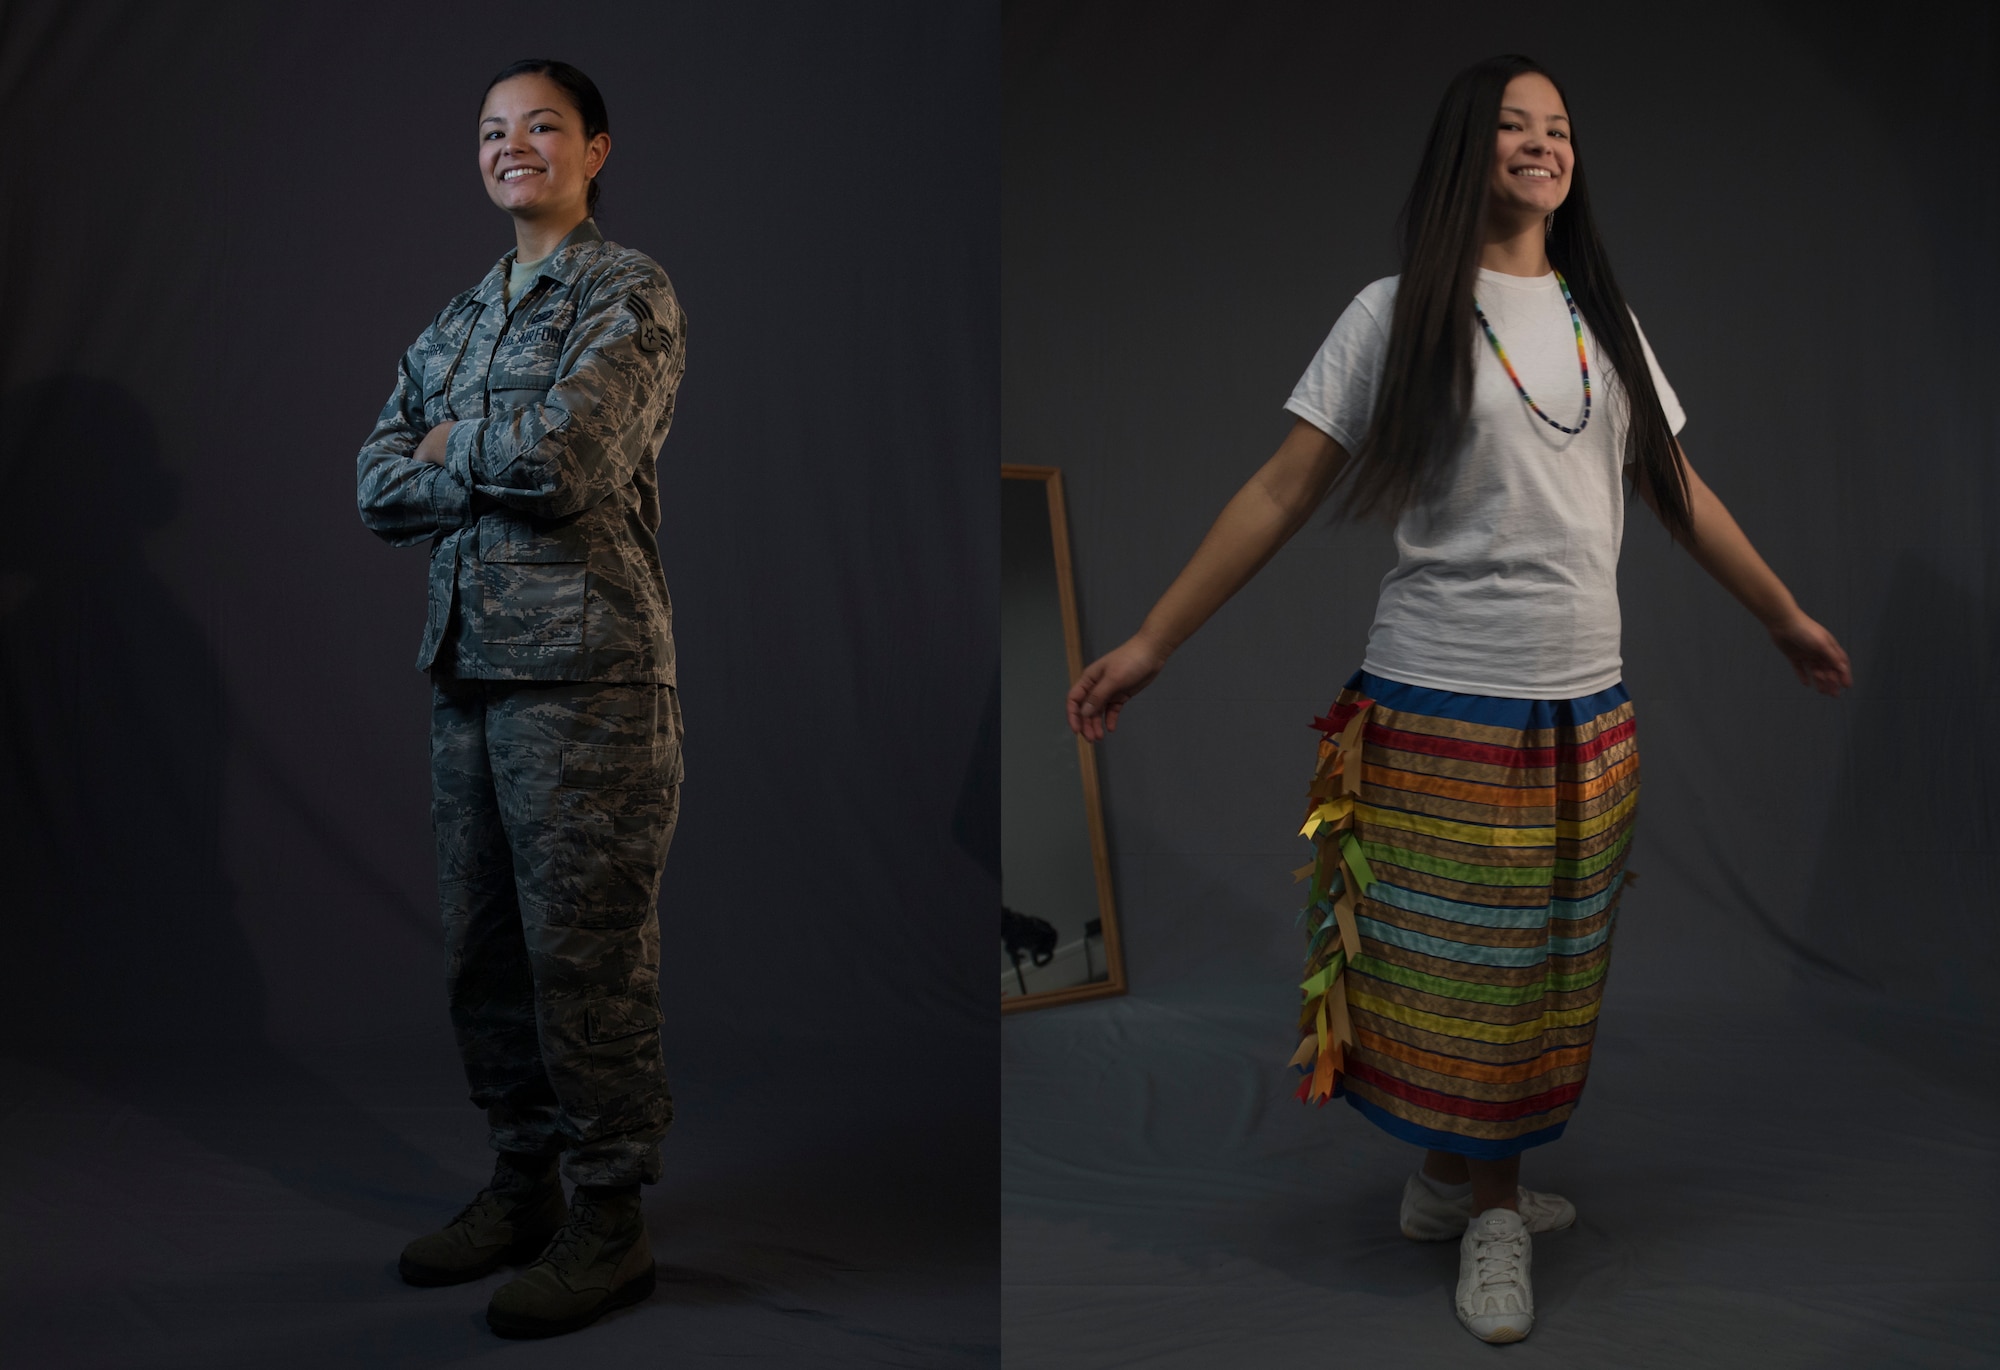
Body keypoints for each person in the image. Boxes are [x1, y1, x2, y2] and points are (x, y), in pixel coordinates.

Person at [1064, 54, 1850, 1346]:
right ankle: (1495, 1203)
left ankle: (1443, 1179)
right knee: (1459, 974)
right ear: (1465, 153)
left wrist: (1781, 616)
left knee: (1546, 971)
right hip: (1436, 703)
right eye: (1512, 126)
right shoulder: (1394, 313)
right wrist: (1154, 638)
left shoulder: (1609, 320)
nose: (1542, 144)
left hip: (1584, 709)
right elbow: (1280, 488)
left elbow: (1677, 489)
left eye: (1559, 128)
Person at [355, 58, 687, 1339]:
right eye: (493, 131)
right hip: (467, 671)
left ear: (593, 149)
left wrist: (452, 445)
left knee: (583, 956)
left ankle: (612, 1219)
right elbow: (376, 483)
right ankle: (522, 1183)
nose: (513, 147)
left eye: (540, 125)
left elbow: (567, 462)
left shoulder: (627, 290)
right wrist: (449, 451)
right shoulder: (455, 320)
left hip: (586, 672)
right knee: (485, 957)